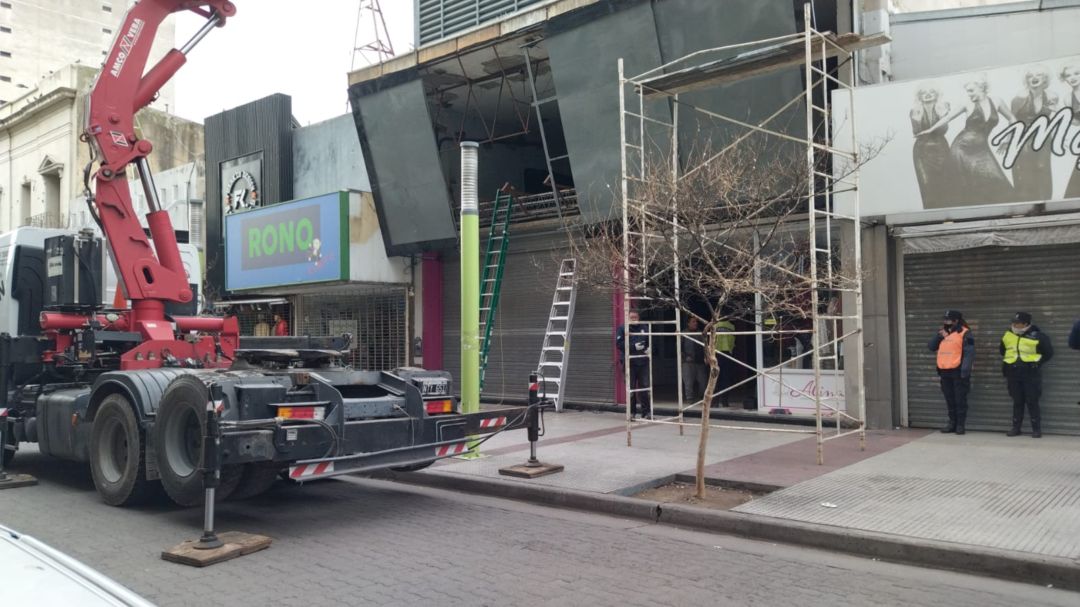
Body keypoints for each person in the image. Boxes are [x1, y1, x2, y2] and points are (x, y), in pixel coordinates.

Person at [917, 76, 1016, 205]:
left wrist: (1008, 139)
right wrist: (930, 130)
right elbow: (948, 118)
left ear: (981, 88)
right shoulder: (966, 103)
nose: (969, 94)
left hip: (981, 150)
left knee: (997, 180)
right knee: (969, 186)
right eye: (967, 91)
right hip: (961, 149)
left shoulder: (996, 101)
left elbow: (1012, 119)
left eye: (971, 90)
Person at [1000, 312, 1053, 438]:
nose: (1014, 325)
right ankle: (1016, 428)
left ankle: (1036, 429)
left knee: (1032, 401)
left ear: (1026, 324)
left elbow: (1048, 352)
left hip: (1030, 373)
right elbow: (1002, 351)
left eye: (1017, 323)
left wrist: (1037, 362)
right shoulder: (1008, 335)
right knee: (1017, 401)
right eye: (1013, 322)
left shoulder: (1038, 336)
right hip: (1013, 372)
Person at [1010, 66, 1058, 202]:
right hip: (1023, 138)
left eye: (1039, 75)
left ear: (1045, 79)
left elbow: (1056, 115)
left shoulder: (1052, 96)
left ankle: (1044, 203)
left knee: (1043, 168)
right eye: (1030, 76)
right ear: (1027, 80)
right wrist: (1009, 141)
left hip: (1044, 137)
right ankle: (1028, 205)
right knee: (1025, 170)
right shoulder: (1019, 98)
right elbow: (1012, 120)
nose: (1035, 78)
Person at [928, 310, 975, 434]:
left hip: (958, 371)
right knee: (949, 399)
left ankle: (960, 425)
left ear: (956, 321)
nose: (946, 322)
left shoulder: (965, 333)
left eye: (948, 320)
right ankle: (951, 423)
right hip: (944, 371)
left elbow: (969, 353)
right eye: (945, 319)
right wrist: (939, 336)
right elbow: (931, 347)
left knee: (960, 399)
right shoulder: (942, 333)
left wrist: (965, 371)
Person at [910, 85, 954, 207]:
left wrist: (942, 115)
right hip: (922, 152)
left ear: (936, 94)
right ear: (919, 96)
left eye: (931, 91)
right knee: (927, 185)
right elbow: (917, 133)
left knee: (944, 184)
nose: (928, 94)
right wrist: (917, 119)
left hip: (941, 149)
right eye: (924, 92)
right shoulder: (915, 111)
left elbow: (943, 131)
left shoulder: (942, 108)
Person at [616, 310, 651, 419]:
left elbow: (650, 341)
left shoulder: (644, 327)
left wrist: (649, 349)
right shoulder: (623, 328)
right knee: (630, 388)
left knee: (644, 387)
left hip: (643, 361)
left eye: (635, 317)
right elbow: (619, 344)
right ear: (628, 318)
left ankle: (646, 412)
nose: (634, 319)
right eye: (632, 317)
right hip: (629, 362)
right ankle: (632, 412)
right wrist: (633, 347)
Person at [681, 317, 707, 404]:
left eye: (696, 322)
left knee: (703, 381)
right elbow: (678, 348)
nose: (695, 323)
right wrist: (684, 357)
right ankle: (689, 399)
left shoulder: (700, 333)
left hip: (700, 361)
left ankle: (702, 397)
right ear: (688, 323)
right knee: (688, 381)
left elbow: (705, 346)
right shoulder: (684, 333)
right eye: (693, 322)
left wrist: (706, 357)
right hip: (687, 362)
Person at [712, 318, 736, 407]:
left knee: (715, 378)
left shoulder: (714, 325)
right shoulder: (731, 326)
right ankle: (725, 401)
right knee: (726, 379)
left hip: (716, 354)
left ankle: (715, 402)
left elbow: (711, 340)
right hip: (727, 353)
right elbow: (733, 341)